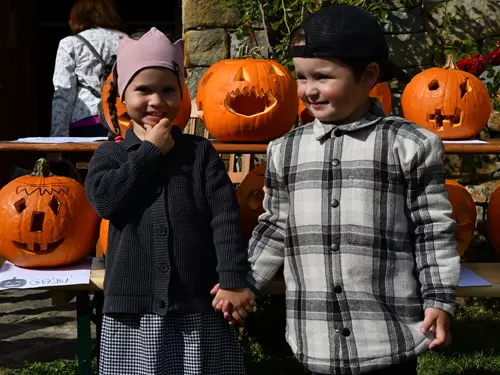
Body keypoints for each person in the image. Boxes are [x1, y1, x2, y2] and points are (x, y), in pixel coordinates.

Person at [213, 4, 460, 375]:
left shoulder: (409, 144)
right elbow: (275, 225)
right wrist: (245, 284)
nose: (309, 90)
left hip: (388, 334)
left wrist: (439, 299)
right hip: (315, 335)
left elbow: (432, 228)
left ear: (368, 75)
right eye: (301, 77)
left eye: (323, 77)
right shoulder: (286, 150)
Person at [84, 27, 255, 375]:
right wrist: (149, 153)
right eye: (143, 90)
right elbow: (108, 202)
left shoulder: (199, 153)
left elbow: (224, 218)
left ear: (181, 92)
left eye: (167, 90)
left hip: (195, 303)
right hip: (132, 308)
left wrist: (233, 279)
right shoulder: (110, 156)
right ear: (122, 94)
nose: (157, 101)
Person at [50, 0, 125, 137]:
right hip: (121, 120)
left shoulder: (71, 43)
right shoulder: (126, 40)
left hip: (85, 121)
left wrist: (57, 139)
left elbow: (64, 93)